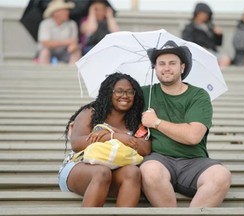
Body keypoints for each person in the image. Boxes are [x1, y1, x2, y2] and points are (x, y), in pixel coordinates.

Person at [140, 40, 231, 207]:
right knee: (149, 170)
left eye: (172, 63)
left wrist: (156, 122)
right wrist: (78, 120)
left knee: (221, 175)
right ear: (155, 68)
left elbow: (193, 136)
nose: (166, 68)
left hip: (194, 161)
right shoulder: (145, 93)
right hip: (159, 160)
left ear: (182, 67)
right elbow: (112, 102)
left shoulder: (199, 96)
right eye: (161, 63)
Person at [58, 72, 151, 207]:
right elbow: (77, 143)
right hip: (80, 168)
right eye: (119, 91)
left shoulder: (136, 120)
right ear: (109, 93)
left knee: (133, 172)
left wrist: (117, 135)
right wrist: (111, 136)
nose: (124, 96)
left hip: (117, 170)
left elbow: (145, 148)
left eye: (130, 92)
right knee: (102, 172)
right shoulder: (91, 112)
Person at [182, 2, 230, 68]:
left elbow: (218, 44)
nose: (205, 16)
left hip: (212, 52)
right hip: (197, 54)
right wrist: (201, 48)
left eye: (207, 14)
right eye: (203, 13)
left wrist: (219, 35)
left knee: (225, 59)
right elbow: (187, 43)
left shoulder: (210, 27)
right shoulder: (190, 28)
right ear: (197, 13)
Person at [36, 0, 81, 64]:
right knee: (44, 52)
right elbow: (46, 43)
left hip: (65, 52)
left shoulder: (72, 24)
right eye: (64, 10)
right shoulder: (45, 24)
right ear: (55, 13)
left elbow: (74, 42)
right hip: (49, 51)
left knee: (76, 52)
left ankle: (72, 72)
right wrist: (67, 42)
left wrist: (73, 46)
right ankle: (43, 73)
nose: (67, 12)